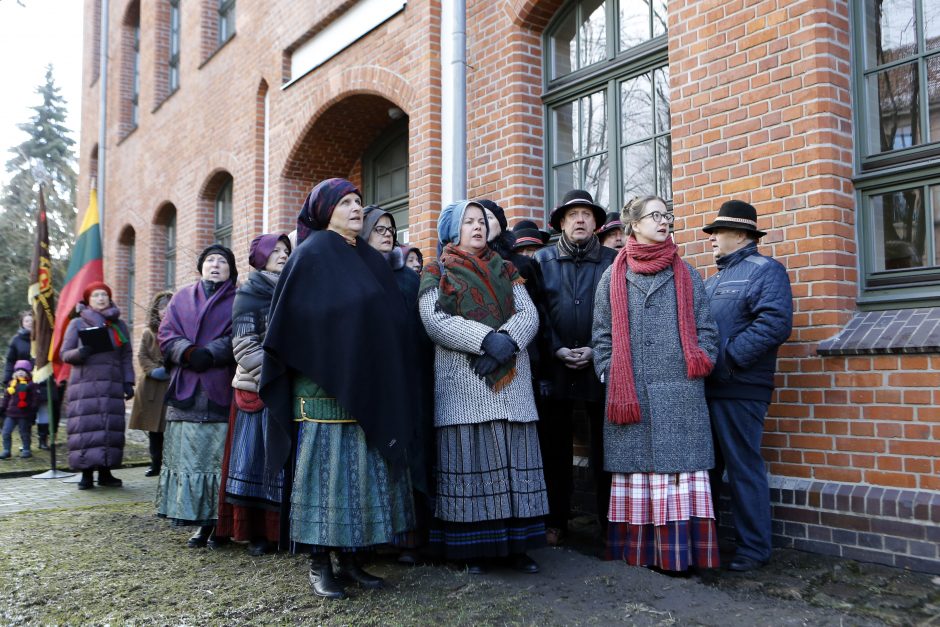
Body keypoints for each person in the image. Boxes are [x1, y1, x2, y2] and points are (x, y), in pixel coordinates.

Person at [261, 178, 418, 600]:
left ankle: (350, 560)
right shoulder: (310, 255)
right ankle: (318, 562)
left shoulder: (369, 257)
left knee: (361, 476)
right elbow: (291, 327)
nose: (354, 208)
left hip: (370, 382)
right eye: (345, 202)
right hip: (324, 385)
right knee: (326, 477)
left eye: (358, 202)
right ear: (323, 210)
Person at [419, 200, 548, 575]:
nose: (477, 227)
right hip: (465, 384)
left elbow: (529, 313)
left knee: (515, 466)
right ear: (452, 230)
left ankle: (518, 547)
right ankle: (472, 551)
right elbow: (434, 319)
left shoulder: (506, 269)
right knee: (471, 466)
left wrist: (506, 341)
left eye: (481, 221)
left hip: (513, 383)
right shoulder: (436, 269)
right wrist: (486, 340)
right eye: (468, 222)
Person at [592, 195, 720, 573]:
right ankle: (639, 555)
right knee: (639, 478)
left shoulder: (687, 274)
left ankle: (679, 558)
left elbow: (706, 330)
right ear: (634, 224)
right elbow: (601, 333)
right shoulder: (612, 276)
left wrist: (702, 359)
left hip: (680, 394)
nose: (664, 221)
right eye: (655, 216)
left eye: (667, 215)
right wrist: (608, 370)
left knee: (678, 477)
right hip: (629, 395)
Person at [703, 199, 792, 572]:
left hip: (741, 389)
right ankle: (706, 547)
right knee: (705, 471)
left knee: (742, 468)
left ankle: (754, 549)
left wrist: (727, 360)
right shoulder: (711, 281)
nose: (710, 240)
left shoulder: (766, 271)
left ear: (740, 234)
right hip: (709, 388)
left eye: (717, 233)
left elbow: (774, 323)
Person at [533, 189, 616, 546]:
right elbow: (535, 313)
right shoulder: (542, 261)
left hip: (601, 366)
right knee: (554, 448)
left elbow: (619, 314)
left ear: (596, 223)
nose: (580, 219)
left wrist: (598, 350)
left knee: (606, 447)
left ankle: (609, 520)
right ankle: (556, 520)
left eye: (586, 214)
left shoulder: (614, 260)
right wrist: (557, 349)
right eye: (572, 215)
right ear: (561, 223)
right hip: (557, 368)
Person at [362, 204, 433, 564]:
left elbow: (423, 330)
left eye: (391, 228)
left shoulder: (408, 278)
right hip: (372, 380)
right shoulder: (356, 275)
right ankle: (375, 537)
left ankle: (409, 538)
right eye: (379, 228)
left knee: (410, 455)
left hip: (409, 377)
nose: (388, 233)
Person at [215, 234, 291, 556]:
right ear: (260, 256)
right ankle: (256, 532)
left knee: (279, 463)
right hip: (256, 389)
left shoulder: (293, 289)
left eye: (287, 251)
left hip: (287, 387)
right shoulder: (249, 293)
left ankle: (280, 531)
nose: (282, 255)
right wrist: (273, 381)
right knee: (253, 461)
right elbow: (244, 345)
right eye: (275, 251)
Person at [156, 245, 237, 548]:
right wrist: (189, 352)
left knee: (219, 461)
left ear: (231, 269)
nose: (215, 265)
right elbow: (165, 334)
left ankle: (220, 525)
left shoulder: (237, 299)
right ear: (201, 266)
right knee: (191, 460)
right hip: (187, 388)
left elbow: (240, 335)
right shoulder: (181, 298)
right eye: (210, 261)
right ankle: (199, 522)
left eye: (222, 261)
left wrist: (212, 353)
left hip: (220, 386)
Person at [59, 282, 135, 489]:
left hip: (111, 384)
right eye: (96, 295)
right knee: (86, 429)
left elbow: (126, 356)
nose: (101, 298)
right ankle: (86, 475)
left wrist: (128, 381)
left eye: (104, 295)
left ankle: (106, 473)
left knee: (109, 429)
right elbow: (64, 353)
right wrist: (80, 353)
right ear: (88, 300)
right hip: (85, 386)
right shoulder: (77, 323)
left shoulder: (118, 325)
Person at [128, 291, 174, 477]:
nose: (165, 311)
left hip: (173, 384)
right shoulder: (149, 332)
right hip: (153, 386)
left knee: (171, 428)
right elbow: (142, 355)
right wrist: (155, 370)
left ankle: (170, 463)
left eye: (169, 307)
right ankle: (155, 463)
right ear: (156, 310)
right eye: (162, 307)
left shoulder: (180, 329)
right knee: (155, 430)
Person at [0, 360, 38, 459]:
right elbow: (6, 397)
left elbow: (34, 398)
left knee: (24, 432)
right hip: (11, 413)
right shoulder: (11, 384)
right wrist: (2, 408)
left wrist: (33, 409)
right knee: (6, 432)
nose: (20, 372)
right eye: (18, 370)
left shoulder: (30, 384)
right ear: (14, 372)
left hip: (24, 414)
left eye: (23, 370)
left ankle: (26, 449)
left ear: (28, 373)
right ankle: (6, 450)